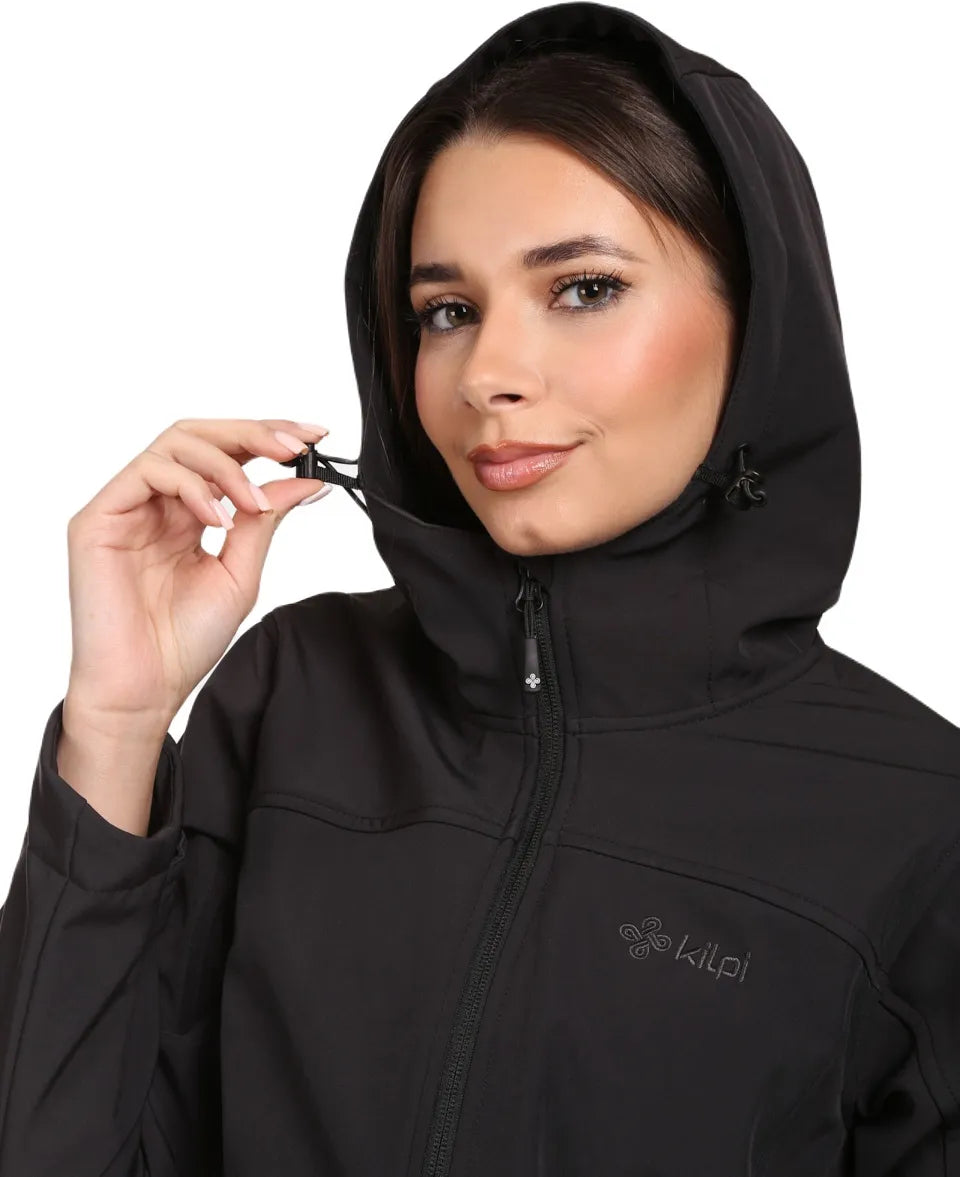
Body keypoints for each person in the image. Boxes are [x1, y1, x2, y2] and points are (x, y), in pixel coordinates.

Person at [1, 2, 959, 1174]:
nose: (487, 374)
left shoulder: (919, 821)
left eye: (585, 288)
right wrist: (115, 726)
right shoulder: (296, 697)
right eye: (446, 312)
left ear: (755, 316)